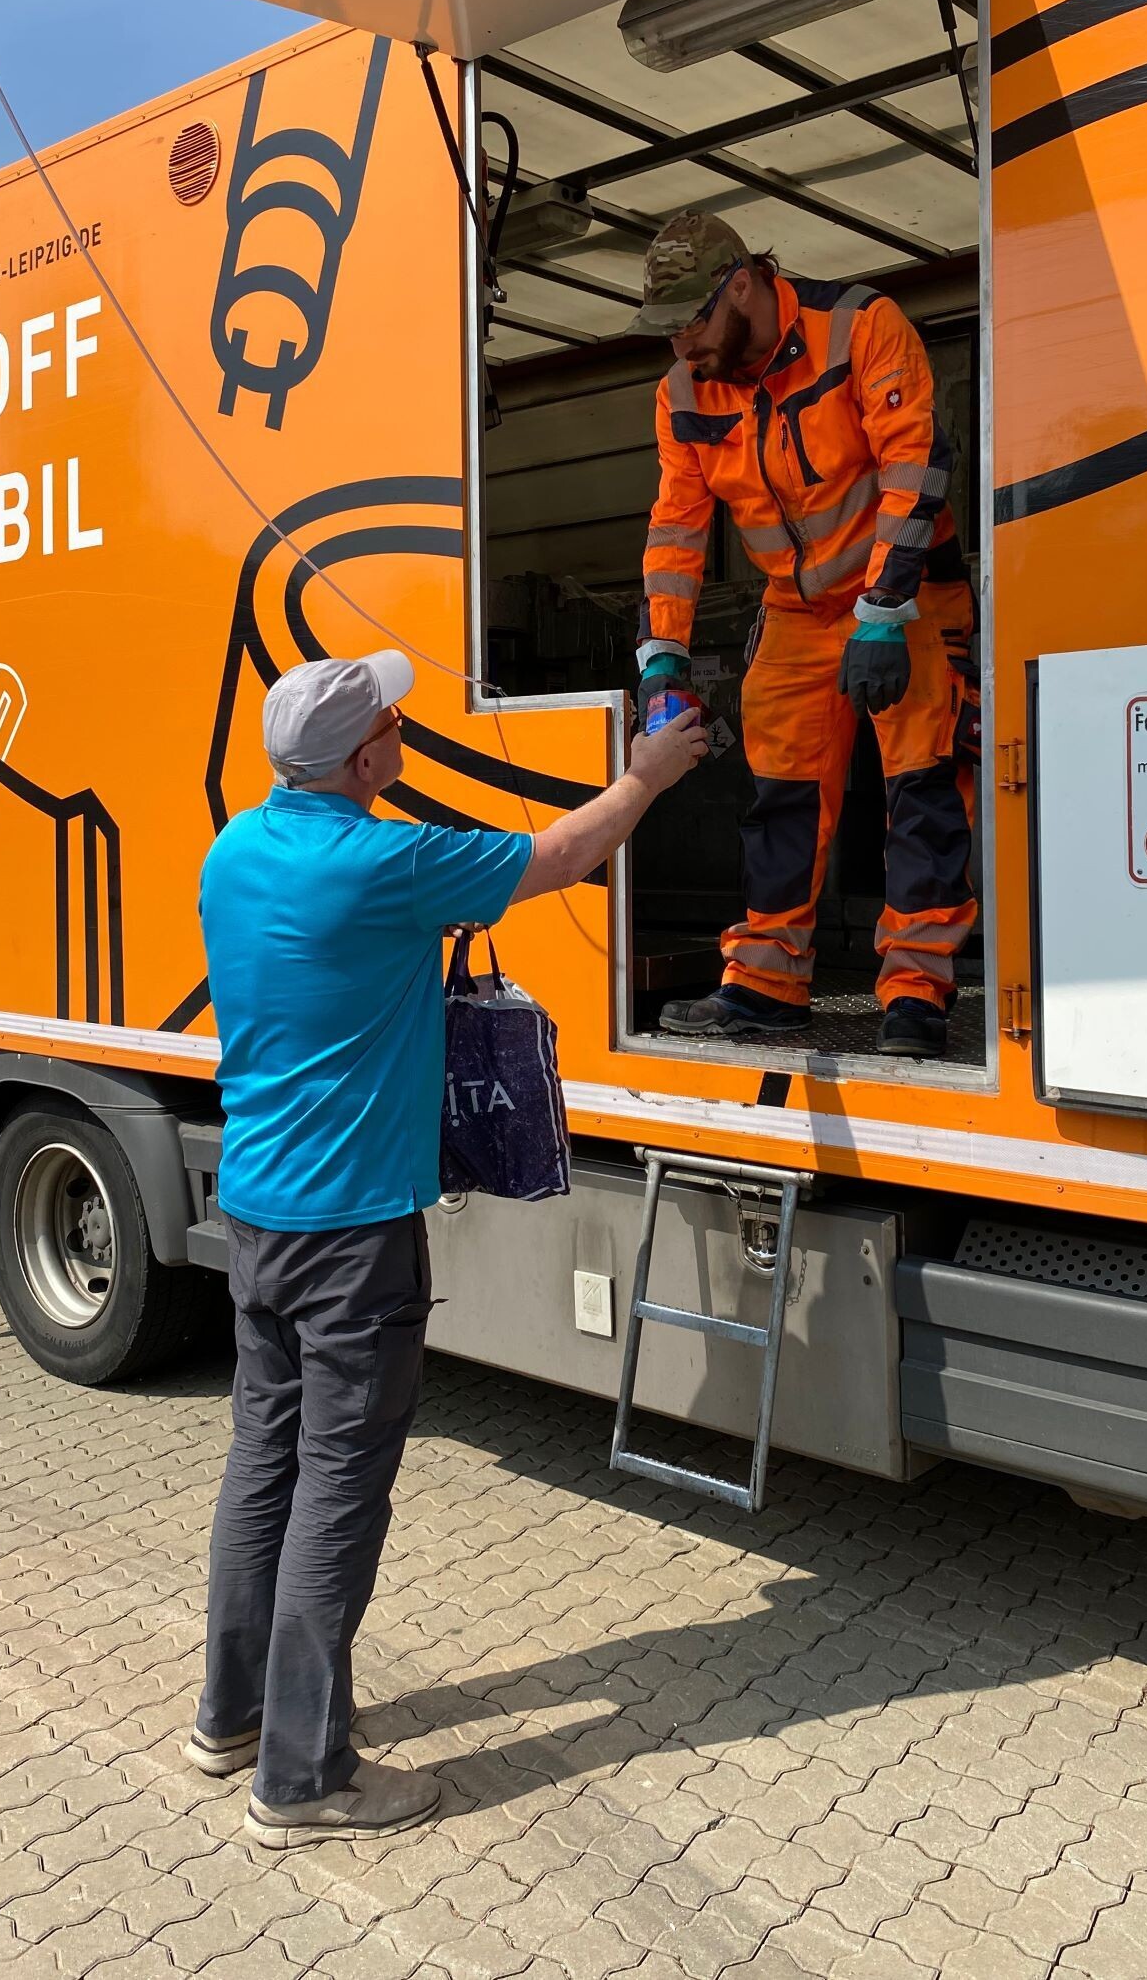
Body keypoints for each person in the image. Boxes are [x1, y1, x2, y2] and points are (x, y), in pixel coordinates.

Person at [189, 647, 706, 1846]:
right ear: (363, 756)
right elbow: (560, 856)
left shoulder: (236, 847)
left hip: (258, 1207)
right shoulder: (383, 862)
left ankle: (234, 1715)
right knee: (337, 1493)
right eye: (391, 720)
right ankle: (305, 1778)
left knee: (263, 1463)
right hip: (351, 1233)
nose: (402, 728)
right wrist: (648, 774)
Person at [632, 212, 978, 1060]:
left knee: (923, 786)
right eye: (669, 330)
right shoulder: (684, 394)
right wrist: (663, 654)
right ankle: (766, 983)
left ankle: (917, 992)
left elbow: (915, 463)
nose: (683, 347)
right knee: (780, 796)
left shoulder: (859, 328)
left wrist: (884, 609)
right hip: (796, 607)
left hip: (908, 596)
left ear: (740, 286)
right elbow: (676, 526)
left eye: (692, 322)